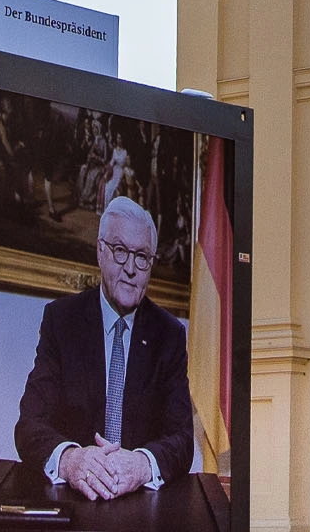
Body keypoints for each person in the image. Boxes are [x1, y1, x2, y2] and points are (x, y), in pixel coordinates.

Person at [15, 196, 194, 500]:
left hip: (141, 507)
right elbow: (29, 425)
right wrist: (71, 460)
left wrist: (141, 465)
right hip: (72, 500)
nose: (130, 268)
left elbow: (182, 440)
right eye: (120, 251)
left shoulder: (169, 335)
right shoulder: (61, 321)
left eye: (142, 257)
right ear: (100, 251)